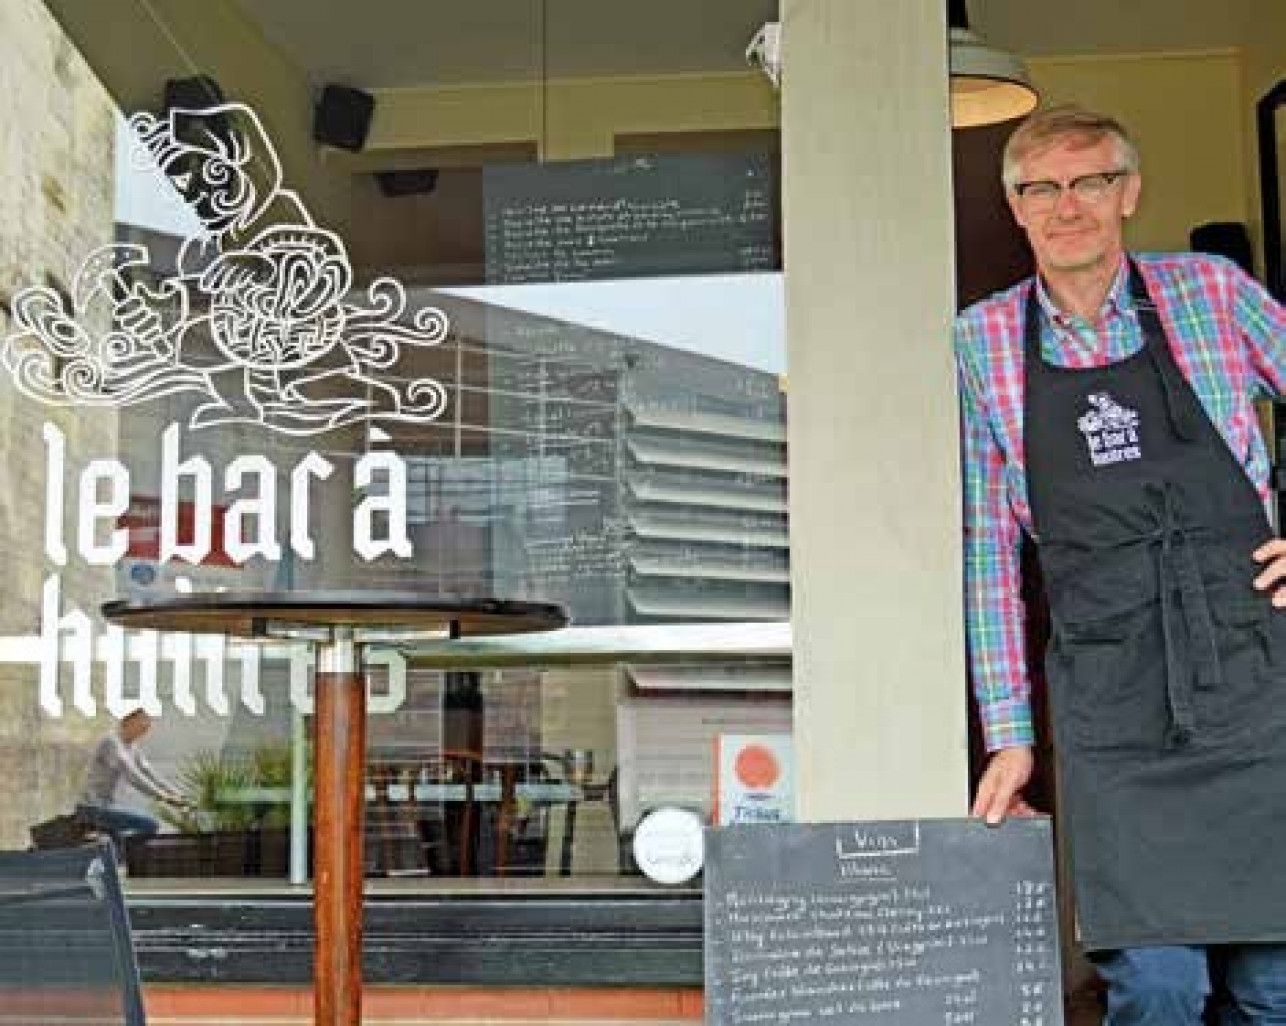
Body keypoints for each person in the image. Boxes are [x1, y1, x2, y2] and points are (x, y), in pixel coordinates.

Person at [955, 104, 1286, 1025]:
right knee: (1157, 984)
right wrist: (1011, 735)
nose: (1067, 206)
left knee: (1275, 984)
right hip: (1113, 696)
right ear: (1014, 206)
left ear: (1128, 193)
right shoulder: (981, 341)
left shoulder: (1213, 293)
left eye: (1090, 181)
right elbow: (990, 551)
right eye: (1042, 187)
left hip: (1256, 679)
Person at [76, 708, 189, 856]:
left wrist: (176, 793)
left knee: (118, 852)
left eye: (146, 729)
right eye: (141, 727)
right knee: (149, 825)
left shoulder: (132, 747)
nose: (143, 732)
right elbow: (132, 775)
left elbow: (150, 773)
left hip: (108, 807)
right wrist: (164, 797)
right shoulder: (111, 742)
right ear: (128, 721)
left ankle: (115, 865)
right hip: (93, 808)